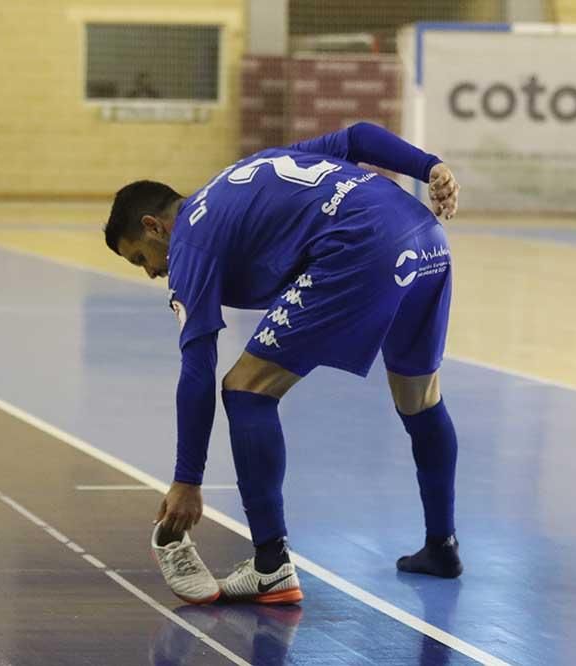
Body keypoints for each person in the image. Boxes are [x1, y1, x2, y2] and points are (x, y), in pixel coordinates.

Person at [104, 122, 462, 604]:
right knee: (420, 396)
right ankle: (442, 546)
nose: (151, 272)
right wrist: (430, 166)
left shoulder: (189, 239)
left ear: (154, 225)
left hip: (362, 244)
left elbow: (197, 369)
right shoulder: (248, 170)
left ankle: (271, 565)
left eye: (139, 258)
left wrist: (187, 480)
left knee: (246, 389)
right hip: (425, 235)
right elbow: (355, 138)